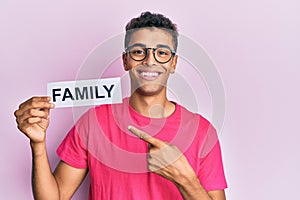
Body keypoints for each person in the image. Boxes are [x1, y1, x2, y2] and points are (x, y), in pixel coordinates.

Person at [14, 11, 227, 200]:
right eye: (138, 52)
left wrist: (184, 178)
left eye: (161, 53)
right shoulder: (94, 122)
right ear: (125, 61)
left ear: (173, 63)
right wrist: (38, 145)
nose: (150, 61)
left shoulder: (202, 131)